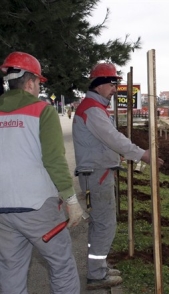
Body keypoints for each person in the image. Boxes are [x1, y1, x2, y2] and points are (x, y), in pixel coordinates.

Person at [72, 62, 164, 290]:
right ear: (100, 84)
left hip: (96, 173)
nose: (115, 89)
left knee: (99, 225)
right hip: (96, 175)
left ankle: (98, 267)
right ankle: (96, 275)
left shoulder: (94, 107)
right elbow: (112, 138)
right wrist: (142, 155)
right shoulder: (92, 109)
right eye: (112, 84)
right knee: (104, 225)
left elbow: (106, 141)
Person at [0, 52, 83, 293]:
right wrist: (70, 198)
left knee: (10, 269)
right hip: (38, 207)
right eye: (38, 83)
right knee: (62, 266)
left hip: (2, 211)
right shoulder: (42, 110)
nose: (38, 88)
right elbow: (54, 160)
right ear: (29, 82)